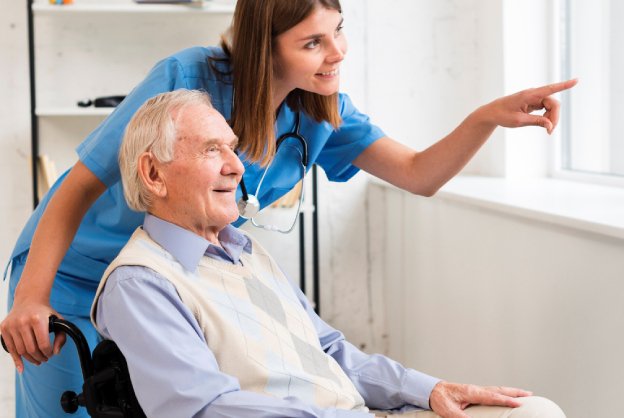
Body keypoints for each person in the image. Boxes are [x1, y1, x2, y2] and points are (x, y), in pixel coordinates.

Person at [0, 0, 576, 416]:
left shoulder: (321, 109)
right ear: (264, 47)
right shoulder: (188, 80)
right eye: (313, 42)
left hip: (191, 278)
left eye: (338, 32)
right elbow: (75, 188)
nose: (337, 53)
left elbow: (418, 173)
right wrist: (33, 296)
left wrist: (484, 119)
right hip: (72, 273)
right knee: (76, 409)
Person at [92, 89, 566, 418]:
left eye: (233, 148)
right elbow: (203, 409)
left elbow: (331, 351)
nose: (237, 167)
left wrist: (431, 390)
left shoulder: (245, 249)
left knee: (534, 411)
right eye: (212, 150)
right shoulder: (141, 283)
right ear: (154, 175)